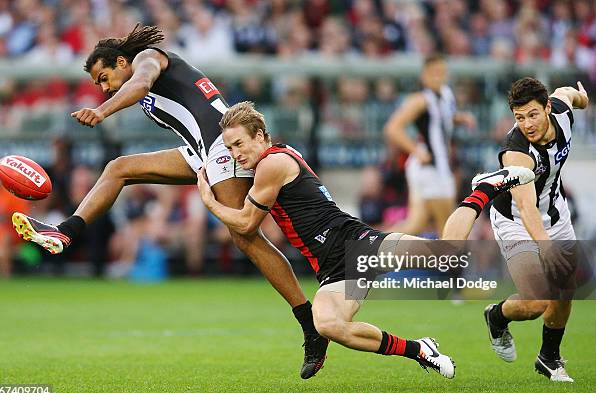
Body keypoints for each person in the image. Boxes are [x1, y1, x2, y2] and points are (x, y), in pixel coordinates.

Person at [9, 24, 327, 379]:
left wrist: (102, 111)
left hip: (222, 147)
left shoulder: (147, 59)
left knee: (245, 233)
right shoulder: (145, 70)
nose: (103, 87)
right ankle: (66, 232)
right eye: (98, 85)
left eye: (104, 77)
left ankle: (310, 321)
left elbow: (140, 83)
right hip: (200, 151)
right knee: (119, 168)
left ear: (121, 61)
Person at [197, 101, 535, 378]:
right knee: (328, 324)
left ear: (259, 136)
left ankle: (484, 189)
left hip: (356, 243)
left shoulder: (272, 163)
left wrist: (210, 201)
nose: (235, 154)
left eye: (239, 144)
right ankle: (420, 349)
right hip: (332, 269)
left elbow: (245, 223)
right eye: (228, 147)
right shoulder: (270, 161)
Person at [483, 78, 589, 382]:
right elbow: (526, 207)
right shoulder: (516, 152)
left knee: (565, 290)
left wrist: (582, 99)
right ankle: (496, 315)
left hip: (556, 213)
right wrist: (545, 246)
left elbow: (568, 93)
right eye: (519, 117)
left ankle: (549, 358)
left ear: (547, 108)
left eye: (532, 114)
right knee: (535, 302)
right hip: (515, 221)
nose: (527, 124)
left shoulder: (562, 112)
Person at [384, 54, 476, 236]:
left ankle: (372, 252)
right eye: (434, 73)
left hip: (431, 168)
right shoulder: (420, 100)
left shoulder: (445, 95)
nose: (438, 77)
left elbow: (443, 119)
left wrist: (461, 118)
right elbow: (392, 128)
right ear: (424, 76)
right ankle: (452, 264)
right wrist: (415, 150)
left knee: (415, 225)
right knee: (448, 227)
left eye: (442, 73)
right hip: (431, 168)